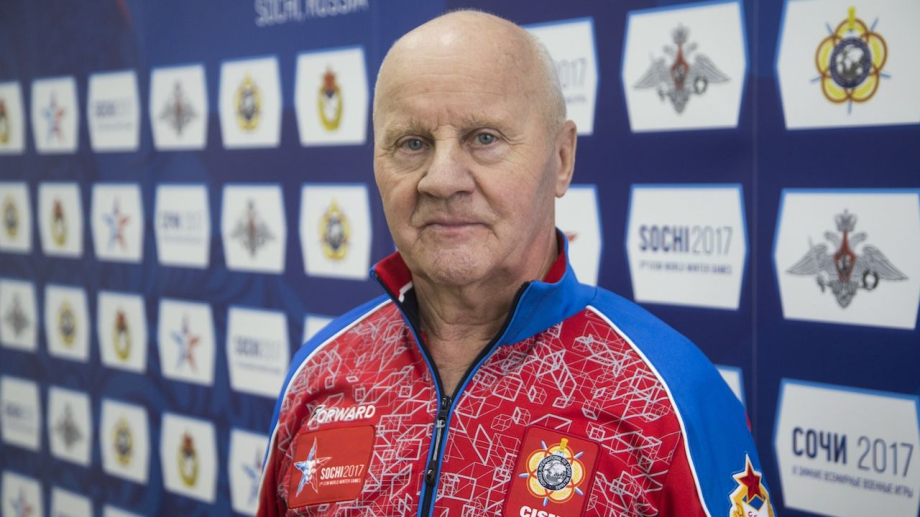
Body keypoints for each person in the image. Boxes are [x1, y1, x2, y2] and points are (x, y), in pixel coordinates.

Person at [258, 10, 774, 517]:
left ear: (562, 159)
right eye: (412, 144)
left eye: (484, 138)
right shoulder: (320, 374)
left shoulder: (667, 398)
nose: (442, 180)